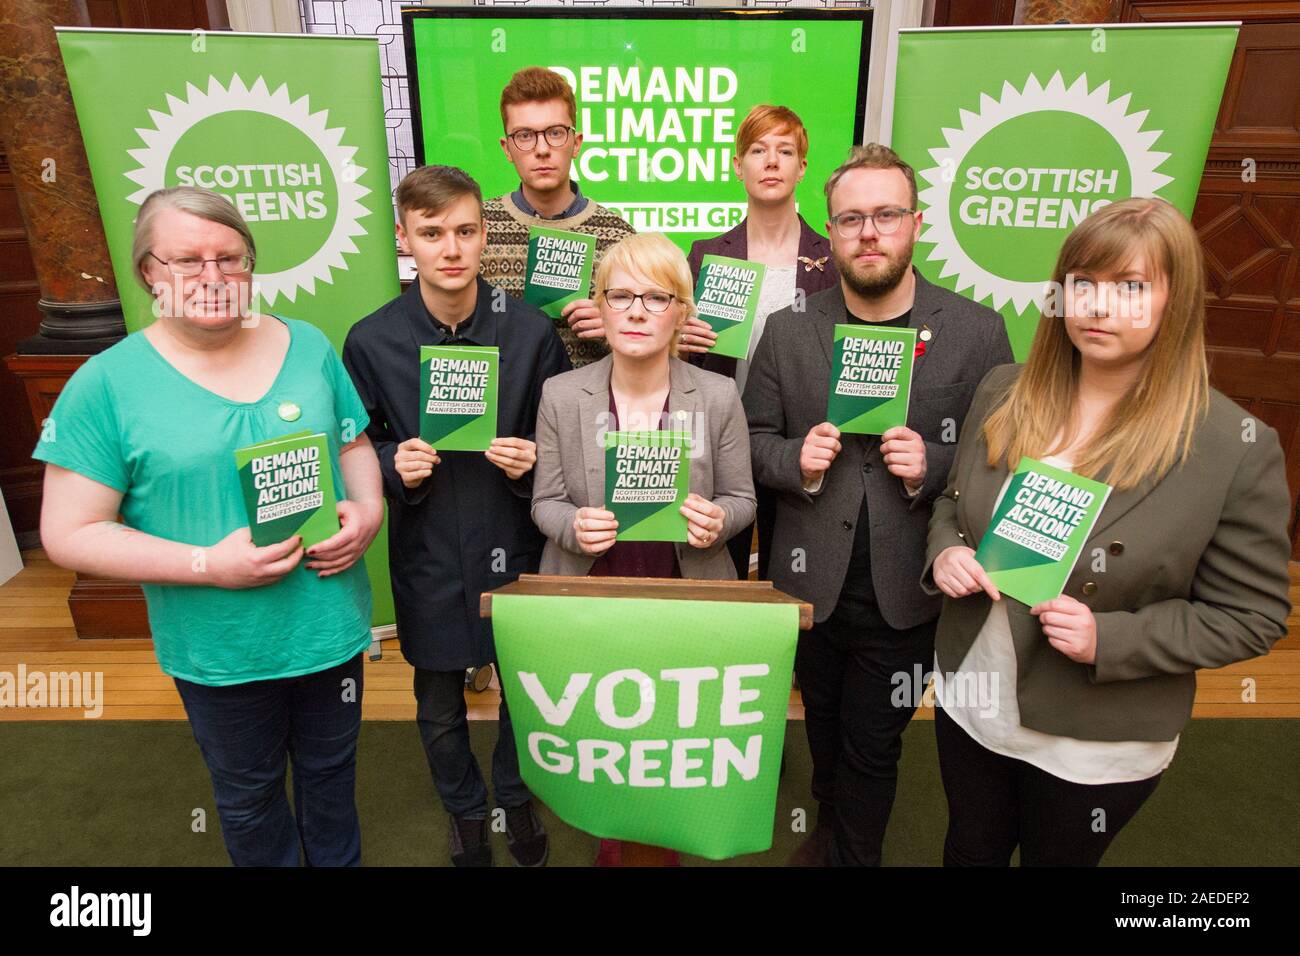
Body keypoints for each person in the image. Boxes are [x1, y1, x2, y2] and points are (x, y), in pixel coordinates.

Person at [923, 197, 1292, 866]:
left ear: (1174, 303)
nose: (1097, 306)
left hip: (1095, 738)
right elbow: (952, 503)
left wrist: (1110, 639)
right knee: (967, 850)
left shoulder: (1232, 446)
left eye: (1131, 287)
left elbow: (1253, 616)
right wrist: (947, 549)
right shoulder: (1005, 389)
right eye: (1083, 283)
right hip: (973, 696)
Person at [34, 185, 383, 866]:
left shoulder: (308, 347)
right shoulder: (106, 385)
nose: (214, 278)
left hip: (328, 625)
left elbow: (353, 445)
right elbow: (69, 533)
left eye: (231, 257)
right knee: (250, 795)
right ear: (148, 272)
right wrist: (207, 565)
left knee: (332, 777)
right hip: (220, 649)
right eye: (188, 261)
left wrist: (368, 510)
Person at [743, 144, 1014, 866]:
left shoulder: (976, 330)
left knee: (874, 745)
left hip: (908, 591)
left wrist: (936, 463)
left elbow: (1003, 462)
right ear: (829, 233)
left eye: (887, 214)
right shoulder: (790, 328)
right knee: (823, 730)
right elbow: (751, 441)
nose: (870, 232)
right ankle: (831, 829)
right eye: (851, 218)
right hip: (809, 585)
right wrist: (794, 460)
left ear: (915, 223)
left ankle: (852, 854)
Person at [342, 165, 570, 867]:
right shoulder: (371, 340)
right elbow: (353, 445)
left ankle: (514, 793)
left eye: (465, 231)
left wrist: (532, 456)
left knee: (524, 689)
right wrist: (390, 462)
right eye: (432, 232)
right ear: (405, 238)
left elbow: (562, 440)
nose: (451, 248)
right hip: (429, 544)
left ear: (483, 236)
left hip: (514, 539)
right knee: (438, 697)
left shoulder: (531, 332)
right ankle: (464, 807)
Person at [530, 232, 757, 865]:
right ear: (598, 308)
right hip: (592, 599)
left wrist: (717, 520)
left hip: (685, 599)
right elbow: (543, 502)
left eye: (656, 297)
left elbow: (745, 499)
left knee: (673, 749)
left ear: (683, 312)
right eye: (620, 295)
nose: (636, 310)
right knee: (609, 750)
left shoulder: (716, 396)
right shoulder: (561, 394)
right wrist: (575, 527)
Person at [686, 104, 840, 580]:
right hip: (720, 437)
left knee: (787, 571)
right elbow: (686, 362)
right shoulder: (706, 255)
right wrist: (680, 342)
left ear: (802, 167)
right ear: (739, 165)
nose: (771, 161)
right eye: (758, 150)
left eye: (785, 150)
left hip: (799, 441)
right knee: (719, 570)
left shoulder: (831, 258)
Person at [479, 66, 636, 369]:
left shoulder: (620, 239)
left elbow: (654, 344)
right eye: (524, 135)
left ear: (575, 143)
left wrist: (618, 330)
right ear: (507, 148)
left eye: (554, 133)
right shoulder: (475, 229)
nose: (541, 149)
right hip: (504, 410)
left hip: (588, 411)